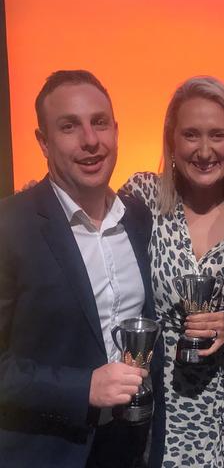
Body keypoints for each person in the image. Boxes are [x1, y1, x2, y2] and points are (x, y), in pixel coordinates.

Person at [0, 70, 163, 467]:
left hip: (129, 447)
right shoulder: (9, 226)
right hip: (46, 452)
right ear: (43, 141)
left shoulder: (138, 217)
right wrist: (82, 388)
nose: (91, 141)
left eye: (100, 123)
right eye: (69, 126)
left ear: (116, 131)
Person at [122, 76, 224, 467]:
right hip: (155, 417)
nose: (205, 150)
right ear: (172, 141)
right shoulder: (143, 197)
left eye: (218, 135)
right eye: (192, 134)